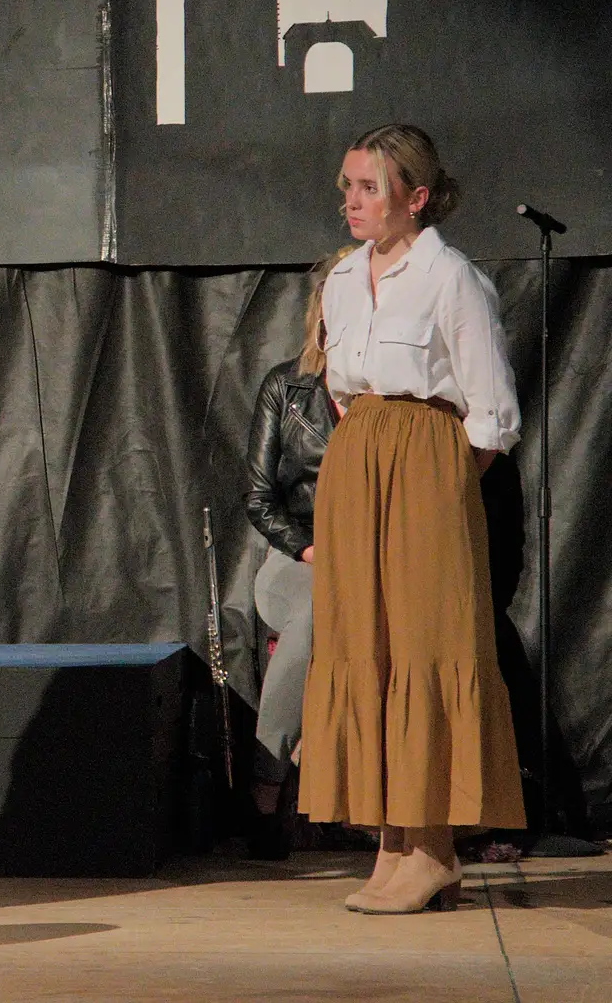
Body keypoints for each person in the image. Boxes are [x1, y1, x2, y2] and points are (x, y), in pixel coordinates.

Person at [298, 124, 526, 914]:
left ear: (415, 197)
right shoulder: (340, 279)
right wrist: (361, 463)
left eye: (367, 188)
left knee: (428, 643)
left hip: (429, 462)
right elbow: (339, 386)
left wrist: (440, 487)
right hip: (357, 459)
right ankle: (392, 843)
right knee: (369, 646)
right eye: (346, 188)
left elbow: (492, 409)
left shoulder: (449, 276)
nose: (351, 202)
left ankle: (433, 845)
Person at [242, 256, 343, 859]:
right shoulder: (287, 385)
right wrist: (308, 547)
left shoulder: (392, 392)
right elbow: (257, 497)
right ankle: (266, 783)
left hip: (369, 565)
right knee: (313, 618)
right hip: (295, 562)